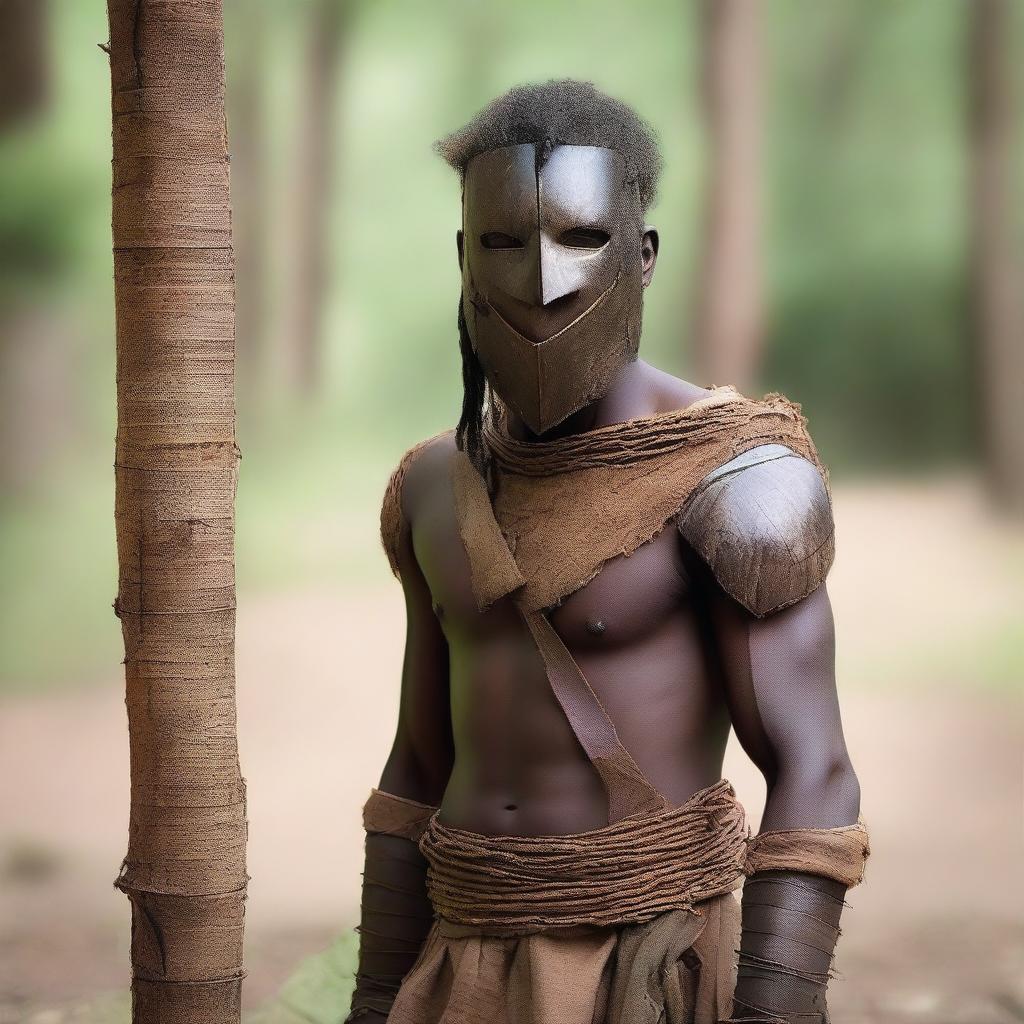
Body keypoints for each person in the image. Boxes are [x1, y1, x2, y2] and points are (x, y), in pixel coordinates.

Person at [346, 80, 868, 1024]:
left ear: (645, 253)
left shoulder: (734, 479)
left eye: (582, 237)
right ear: (464, 254)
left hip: (642, 962)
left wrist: (775, 1005)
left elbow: (813, 765)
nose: (541, 280)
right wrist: (378, 995)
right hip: (460, 956)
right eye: (504, 242)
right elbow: (416, 767)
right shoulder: (434, 486)